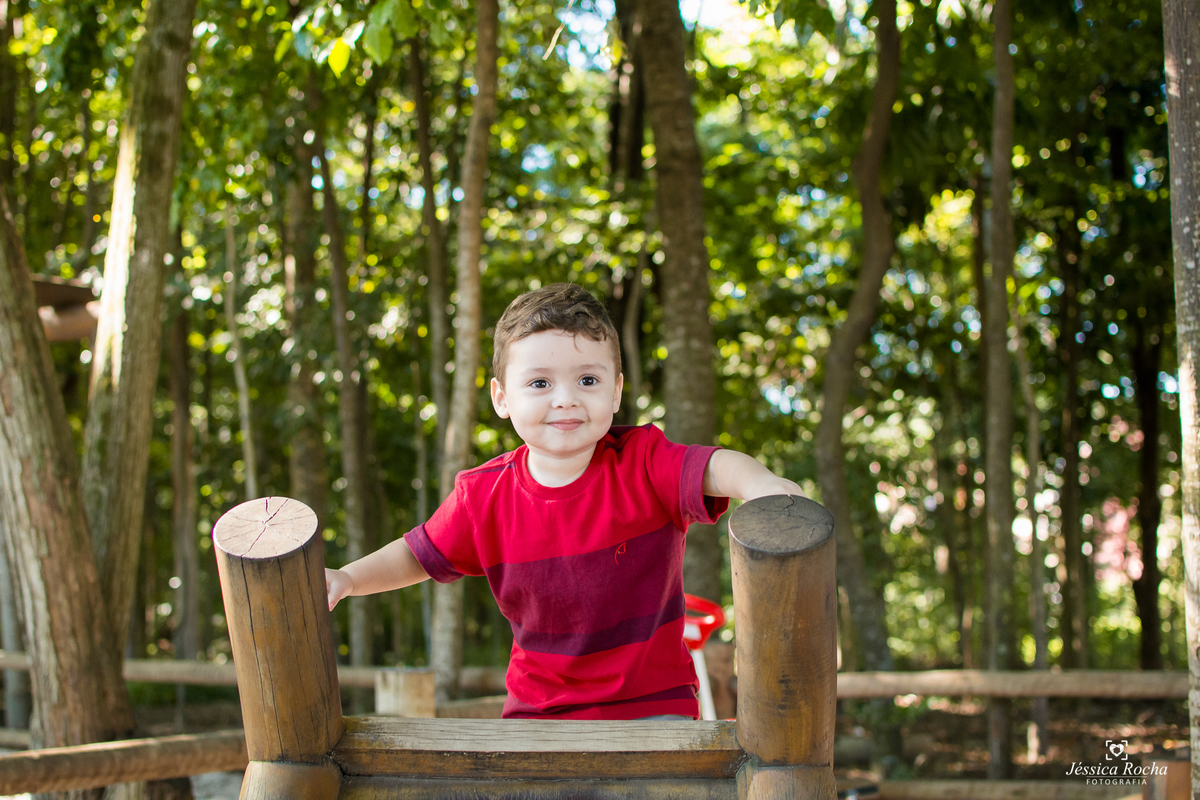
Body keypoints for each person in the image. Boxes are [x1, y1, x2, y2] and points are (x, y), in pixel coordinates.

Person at [326, 282, 803, 719]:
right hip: (538, 714)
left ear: (616, 390)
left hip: (654, 711)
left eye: (588, 381)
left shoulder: (643, 461)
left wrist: (762, 486)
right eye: (539, 383)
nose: (565, 399)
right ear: (501, 397)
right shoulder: (483, 495)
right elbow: (417, 554)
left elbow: (716, 466)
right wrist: (347, 578)